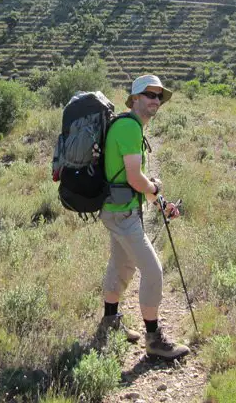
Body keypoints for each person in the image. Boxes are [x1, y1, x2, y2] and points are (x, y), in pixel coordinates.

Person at [97, 74, 190, 359]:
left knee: (121, 267)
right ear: (135, 98)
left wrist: (160, 202)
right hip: (122, 214)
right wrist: (154, 187)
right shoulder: (129, 129)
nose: (155, 100)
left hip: (118, 210)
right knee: (153, 271)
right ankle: (154, 340)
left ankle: (110, 323)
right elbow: (136, 179)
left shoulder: (131, 127)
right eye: (150, 95)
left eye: (159, 96)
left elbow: (133, 182)